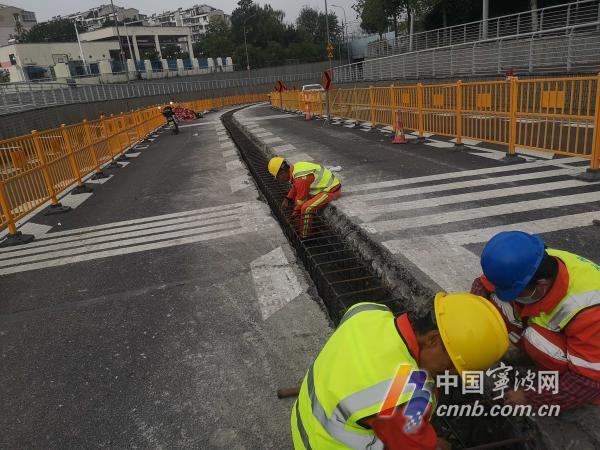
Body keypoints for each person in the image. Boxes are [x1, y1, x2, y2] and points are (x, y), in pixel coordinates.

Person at [291, 293, 509, 450]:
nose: (451, 374)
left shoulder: (367, 312)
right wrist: (432, 444)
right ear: (432, 339)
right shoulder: (402, 394)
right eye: (452, 365)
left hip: (304, 420)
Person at [471, 231, 600, 409]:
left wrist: (531, 397)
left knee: (535, 338)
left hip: (593, 371)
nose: (513, 296)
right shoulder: (530, 263)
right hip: (574, 335)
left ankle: (554, 377)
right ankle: (530, 354)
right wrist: (474, 322)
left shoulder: (589, 310)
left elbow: (588, 382)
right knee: (494, 301)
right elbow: (483, 284)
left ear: (541, 285)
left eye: (517, 292)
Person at [267, 157, 341, 238]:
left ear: (282, 173)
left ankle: (304, 235)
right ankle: (299, 226)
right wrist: (287, 198)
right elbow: (296, 186)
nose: (279, 180)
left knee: (306, 208)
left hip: (331, 190)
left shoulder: (301, 178)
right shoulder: (296, 168)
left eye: (277, 177)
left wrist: (293, 214)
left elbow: (301, 200)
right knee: (298, 201)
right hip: (322, 187)